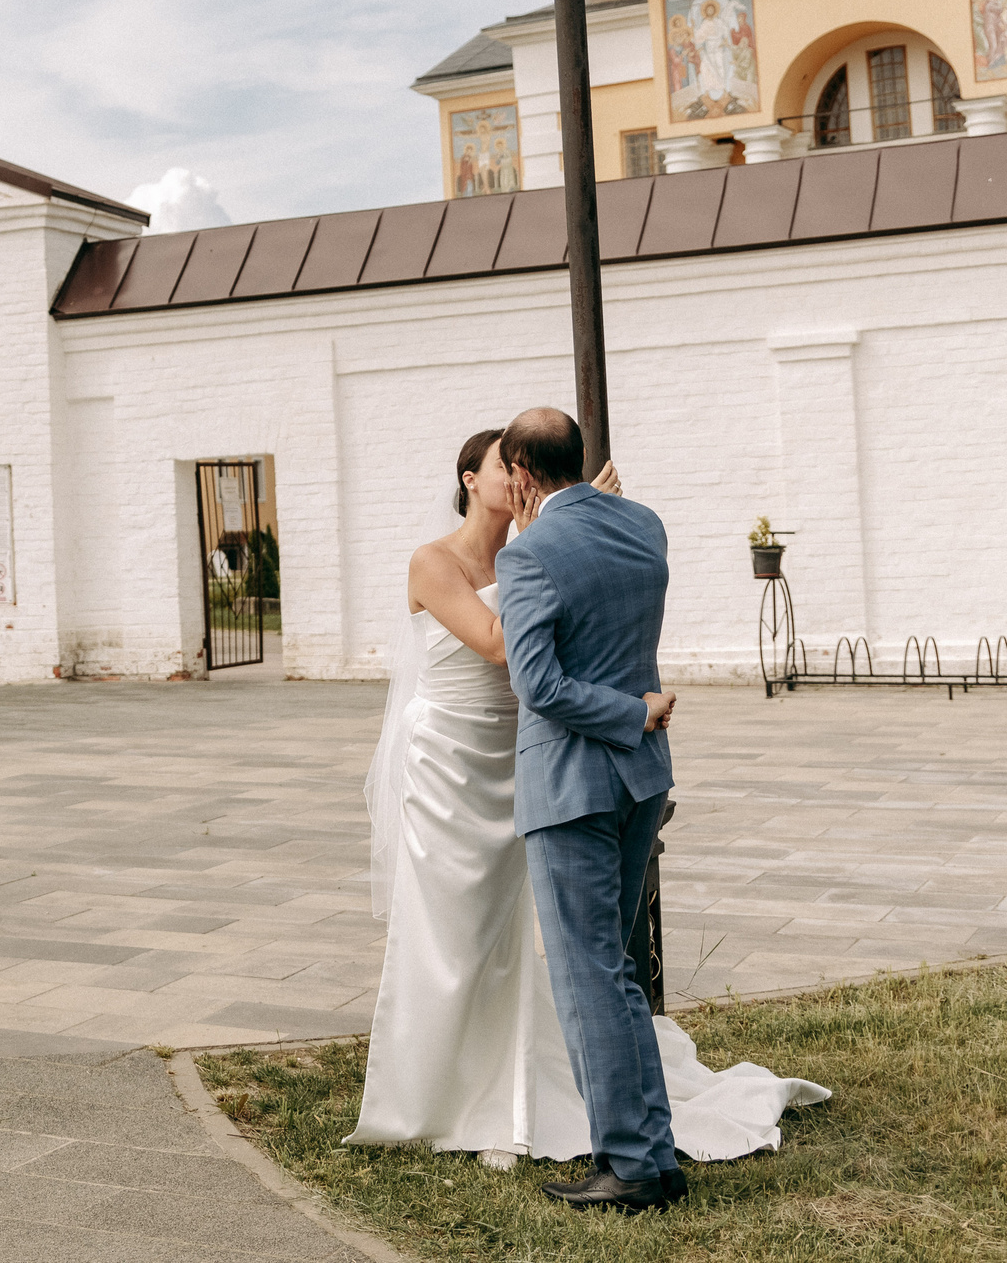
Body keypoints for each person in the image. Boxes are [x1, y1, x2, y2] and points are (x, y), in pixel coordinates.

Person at [348, 418, 825, 1201]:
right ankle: (646, 1149)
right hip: (625, 775)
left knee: (589, 975)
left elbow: (535, 680)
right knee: (614, 966)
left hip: (566, 778)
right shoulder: (641, 524)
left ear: (526, 474)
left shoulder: (531, 553)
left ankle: (636, 1164)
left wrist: (631, 709)